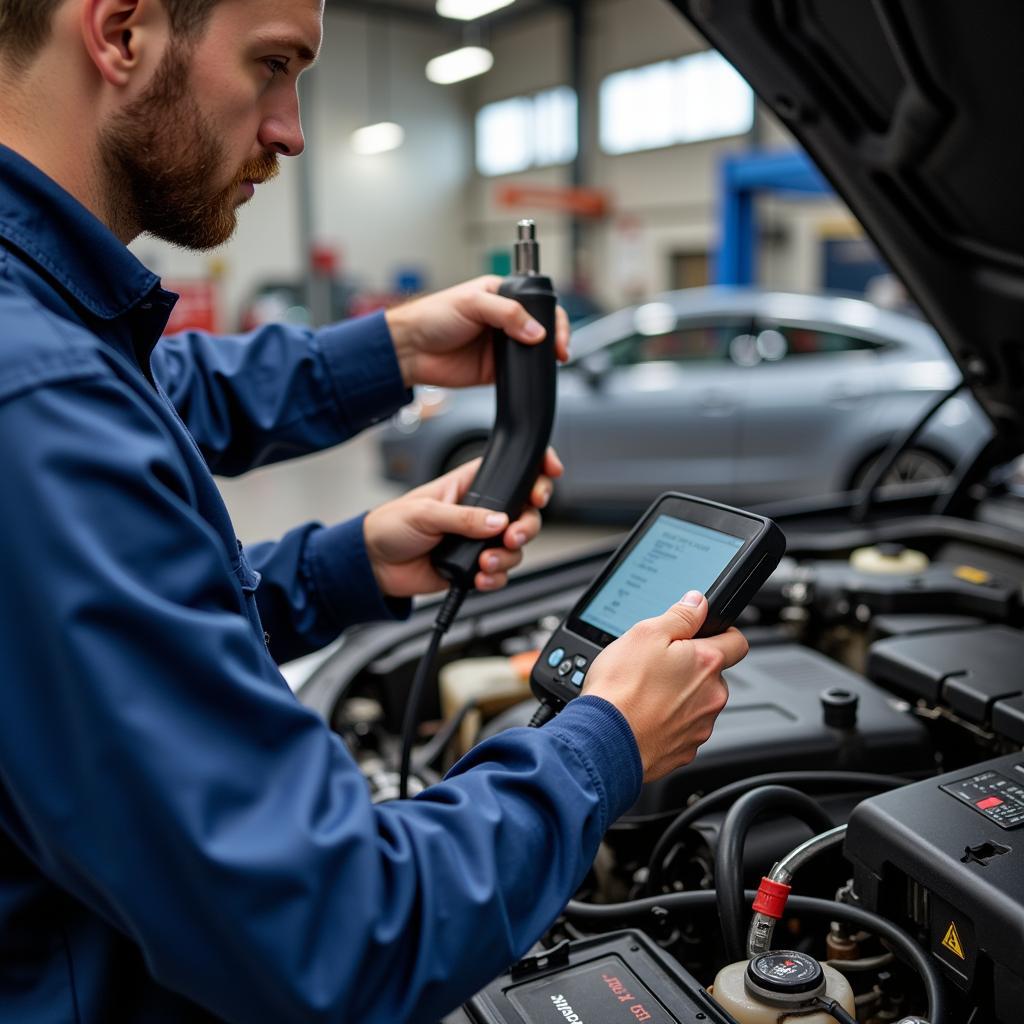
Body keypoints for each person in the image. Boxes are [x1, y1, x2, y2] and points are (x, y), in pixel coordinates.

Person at [0, 1, 748, 1021]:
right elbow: (339, 931)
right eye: (272, 65)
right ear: (122, 30)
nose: (290, 128)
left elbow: (136, 430)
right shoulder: (38, 399)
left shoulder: (47, 331)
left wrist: (346, 558)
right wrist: (606, 742)